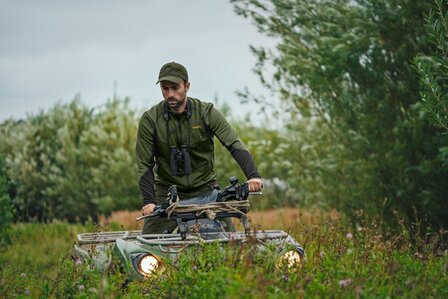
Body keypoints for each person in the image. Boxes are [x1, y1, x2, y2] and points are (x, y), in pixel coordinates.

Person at [136, 61, 263, 234]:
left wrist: (253, 176)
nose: (170, 94)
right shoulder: (150, 119)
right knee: (147, 247)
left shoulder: (206, 112)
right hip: (167, 194)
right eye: (165, 88)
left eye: (175, 87)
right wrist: (148, 202)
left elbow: (233, 144)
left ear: (187, 86)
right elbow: (144, 164)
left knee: (231, 244)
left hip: (206, 192)